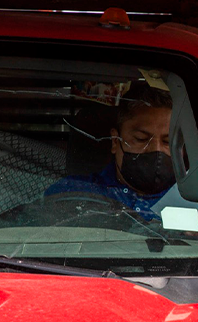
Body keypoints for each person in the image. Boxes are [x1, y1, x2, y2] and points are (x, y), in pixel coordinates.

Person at [46, 84, 175, 221]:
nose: (156, 149)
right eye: (141, 139)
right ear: (115, 140)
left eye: (167, 142)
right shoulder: (72, 192)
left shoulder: (194, 201)